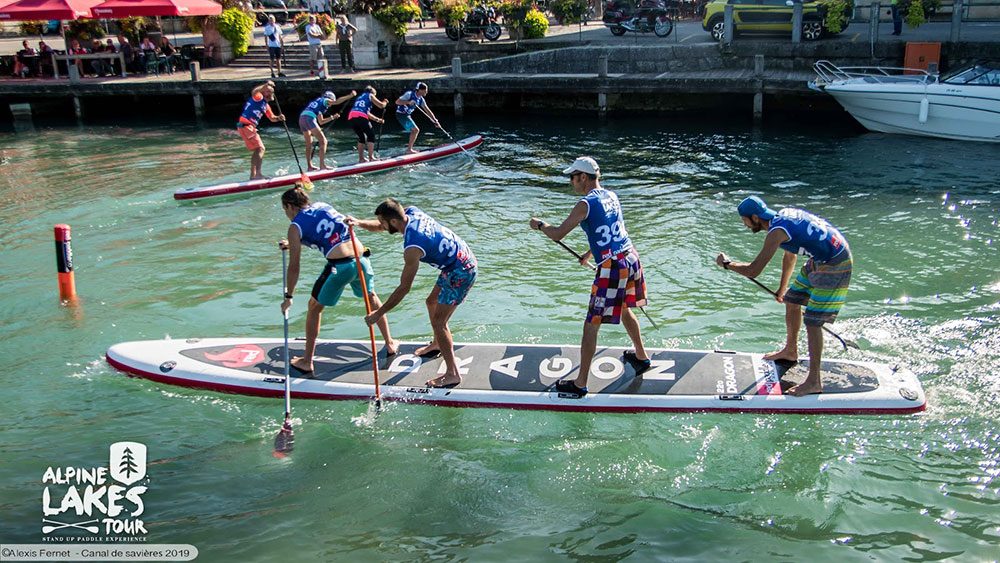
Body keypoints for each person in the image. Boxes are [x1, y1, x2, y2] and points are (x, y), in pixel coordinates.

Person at [529, 157, 650, 398]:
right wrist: (589, 253)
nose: (571, 182)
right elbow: (611, 230)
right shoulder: (611, 196)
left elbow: (558, 234)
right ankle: (641, 357)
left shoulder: (584, 204)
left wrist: (541, 225)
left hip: (613, 267)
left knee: (591, 324)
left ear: (583, 177)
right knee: (625, 308)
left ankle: (580, 383)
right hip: (630, 257)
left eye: (572, 177)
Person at [715, 196, 853, 397]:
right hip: (819, 259)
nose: (743, 224)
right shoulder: (782, 218)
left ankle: (814, 381)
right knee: (791, 301)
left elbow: (754, 270)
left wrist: (728, 264)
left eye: (744, 219)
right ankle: (790, 350)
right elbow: (791, 254)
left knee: (813, 323)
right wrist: (783, 289)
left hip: (835, 264)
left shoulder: (776, 232)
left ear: (754, 217)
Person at [348, 199, 478, 388]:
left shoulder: (412, 247)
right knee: (431, 302)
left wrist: (378, 313)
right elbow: (380, 225)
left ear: (393, 222)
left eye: (383, 222)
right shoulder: (412, 212)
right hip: (458, 260)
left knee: (440, 322)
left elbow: (404, 288)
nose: (381, 226)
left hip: (461, 271)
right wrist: (358, 222)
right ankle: (437, 343)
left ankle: (452, 374)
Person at [279, 186, 399, 375]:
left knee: (314, 307)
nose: (287, 215)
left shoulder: (294, 227)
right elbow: (329, 231)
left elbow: (294, 266)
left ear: (289, 206)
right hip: (362, 259)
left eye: (285, 210)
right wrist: (295, 242)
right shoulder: (323, 206)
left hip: (340, 267)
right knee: (371, 297)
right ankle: (390, 343)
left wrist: (289, 295)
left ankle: (307, 361)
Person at [237, 81, 286, 180]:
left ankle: (253, 175)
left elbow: (272, 118)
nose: (269, 94)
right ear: (263, 92)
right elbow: (255, 91)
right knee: (261, 149)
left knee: (257, 149)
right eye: (267, 92)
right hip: (247, 126)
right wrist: (265, 85)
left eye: (270, 92)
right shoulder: (259, 98)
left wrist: (279, 118)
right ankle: (257, 175)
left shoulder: (266, 105)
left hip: (246, 127)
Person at [299, 89, 355, 170]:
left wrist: (332, 117)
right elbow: (336, 102)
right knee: (323, 141)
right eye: (331, 102)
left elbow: (321, 122)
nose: (330, 104)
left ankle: (309, 166)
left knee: (309, 144)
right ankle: (322, 166)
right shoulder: (325, 100)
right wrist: (350, 96)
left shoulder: (318, 103)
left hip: (302, 118)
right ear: (330, 98)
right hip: (309, 118)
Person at [395, 82, 440, 154]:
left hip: (407, 115)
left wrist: (435, 120)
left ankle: (409, 149)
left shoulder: (421, 99)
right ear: (420, 90)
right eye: (425, 90)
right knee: (415, 130)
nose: (427, 92)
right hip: (401, 115)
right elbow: (397, 102)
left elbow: (427, 110)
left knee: (415, 130)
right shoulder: (409, 94)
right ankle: (409, 150)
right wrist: (408, 102)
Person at [346, 86, 388, 163]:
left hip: (351, 116)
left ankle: (361, 159)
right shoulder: (370, 95)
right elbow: (381, 105)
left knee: (361, 137)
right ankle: (371, 157)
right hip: (360, 116)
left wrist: (378, 120)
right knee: (371, 135)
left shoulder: (359, 98)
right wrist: (385, 102)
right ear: (372, 92)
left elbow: (366, 113)